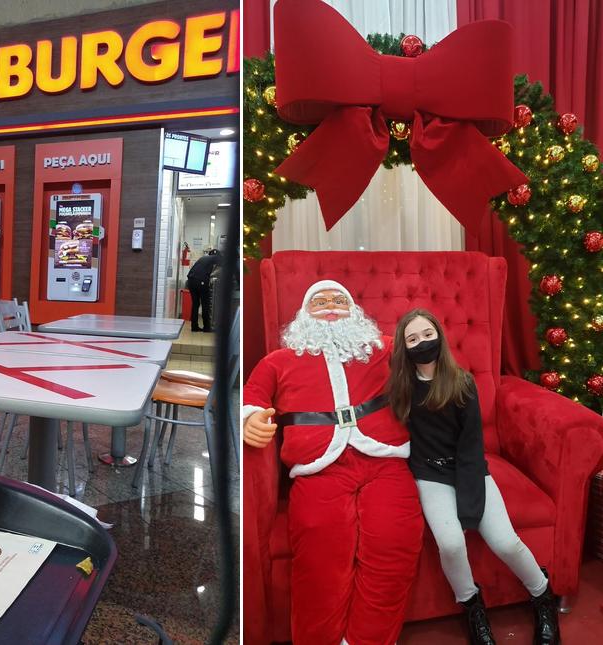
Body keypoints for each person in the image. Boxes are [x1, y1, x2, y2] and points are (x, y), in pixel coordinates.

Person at [243, 281, 423, 645]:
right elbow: (254, 394)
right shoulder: (279, 360)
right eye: (320, 301)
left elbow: (429, 359)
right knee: (320, 563)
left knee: (394, 548)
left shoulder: (382, 348)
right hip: (318, 468)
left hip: (386, 462)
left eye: (339, 299)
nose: (330, 306)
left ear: (354, 310)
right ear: (302, 316)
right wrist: (250, 418)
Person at [387, 309, 560, 645]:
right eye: (412, 339)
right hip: (429, 475)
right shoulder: (401, 387)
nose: (421, 343)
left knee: (505, 541)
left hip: (468, 469)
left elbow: (471, 448)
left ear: (439, 335)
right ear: (403, 348)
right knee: (451, 543)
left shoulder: (462, 382)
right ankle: (472, 605)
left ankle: (543, 595)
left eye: (427, 334)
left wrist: (469, 506)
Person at [186, 249, 220, 332]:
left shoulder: (203, 258)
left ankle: (194, 327)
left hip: (190, 281)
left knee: (195, 304)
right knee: (205, 305)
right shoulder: (216, 258)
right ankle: (207, 328)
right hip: (200, 281)